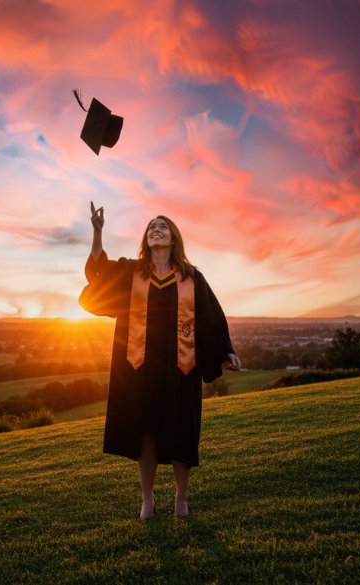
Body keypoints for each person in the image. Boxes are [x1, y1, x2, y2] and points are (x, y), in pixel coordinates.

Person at [80, 202, 240, 519]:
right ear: (146, 239)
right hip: (140, 367)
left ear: (174, 238)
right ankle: (147, 498)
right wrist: (98, 233)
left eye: (163, 226)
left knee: (182, 431)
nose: (156, 229)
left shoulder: (192, 278)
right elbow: (98, 273)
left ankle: (181, 497)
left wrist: (226, 350)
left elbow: (212, 317)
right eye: (152, 227)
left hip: (182, 368)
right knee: (146, 433)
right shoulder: (131, 273)